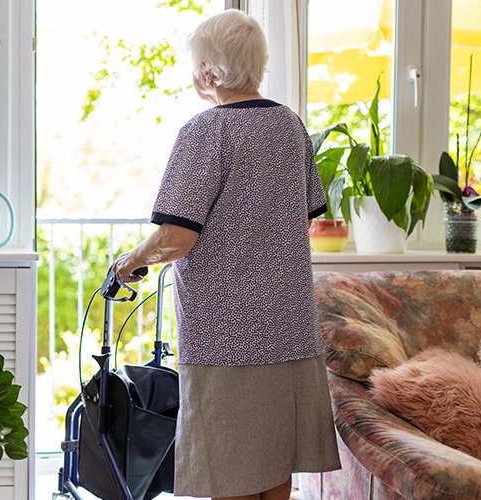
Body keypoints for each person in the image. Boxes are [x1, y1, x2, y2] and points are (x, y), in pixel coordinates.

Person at [112, 9, 341, 500]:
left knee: (230, 474)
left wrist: (129, 261)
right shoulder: (290, 126)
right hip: (289, 329)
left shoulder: (205, 131)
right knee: (276, 472)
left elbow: (176, 238)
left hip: (226, 336)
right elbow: (297, 215)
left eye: (195, 65)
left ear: (210, 72)